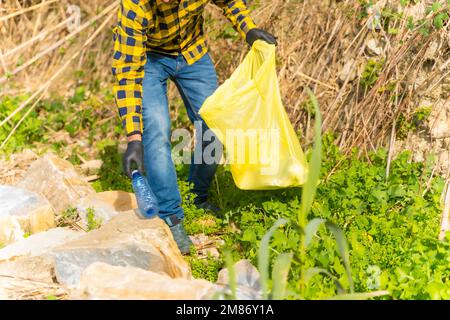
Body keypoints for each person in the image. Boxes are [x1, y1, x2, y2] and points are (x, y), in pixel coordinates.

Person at [112, 0, 277, 255]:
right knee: (156, 132)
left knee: (213, 125)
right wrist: (134, 137)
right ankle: (171, 217)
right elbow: (127, 74)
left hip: (192, 53)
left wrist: (248, 29)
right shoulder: (135, 6)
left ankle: (197, 196)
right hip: (149, 60)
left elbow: (230, 2)